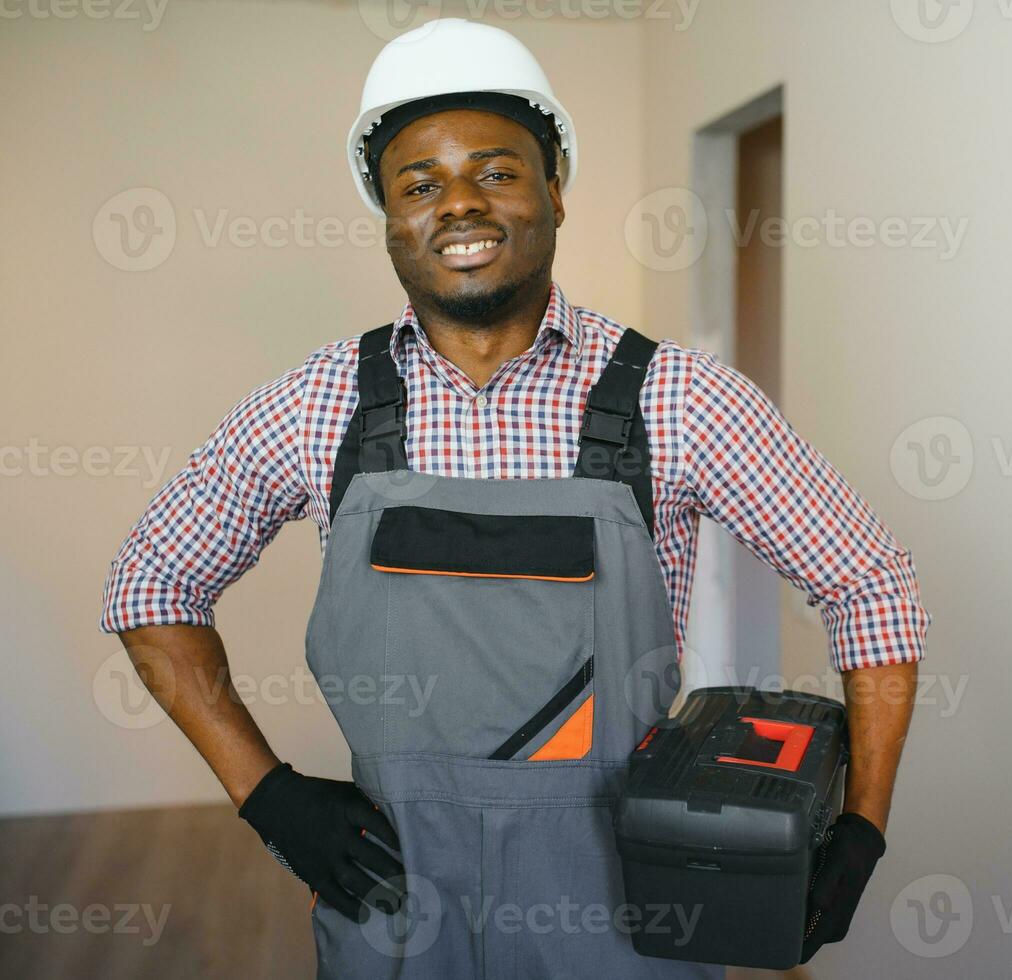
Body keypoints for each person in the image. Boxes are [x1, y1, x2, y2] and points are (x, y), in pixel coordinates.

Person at [98, 17, 931, 977]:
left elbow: (871, 585)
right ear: (389, 216)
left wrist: (861, 826)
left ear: (555, 193)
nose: (458, 204)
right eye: (418, 185)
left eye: (495, 170)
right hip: (396, 900)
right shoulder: (315, 406)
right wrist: (267, 795)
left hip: (626, 911)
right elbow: (148, 589)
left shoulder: (678, 399)